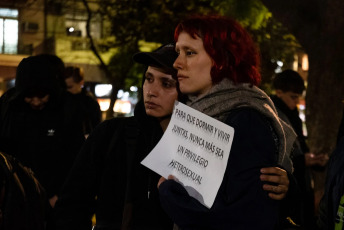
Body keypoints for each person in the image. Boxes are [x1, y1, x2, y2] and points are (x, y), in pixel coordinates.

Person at [53, 43, 289, 230]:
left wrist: (284, 186)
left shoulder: (209, 140)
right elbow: (72, 206)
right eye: (148, 79)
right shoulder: (111, 134)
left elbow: (238, 211)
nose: (151, 91)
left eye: (166, 83)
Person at [157, 15, 297, 229]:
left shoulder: (245, 119)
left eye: (190, 53)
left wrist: (169, 193)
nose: (177, 63)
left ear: (221, 59)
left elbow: (247, 218)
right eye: (178, 52)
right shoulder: (196, 112)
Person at [0, 55, 85, 226]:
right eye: (29, 96)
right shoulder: (9, 108)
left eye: (42, 95)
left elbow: (77, 158)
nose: (36, 101)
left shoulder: (68, 110)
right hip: (17, 200)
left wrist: (59, 196)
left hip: (56, 202)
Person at [271, 69, 328, 229]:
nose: (296, 102)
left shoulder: (291, 115)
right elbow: (279, 156)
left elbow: (299, 147)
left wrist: (313, 160)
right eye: (293, 97)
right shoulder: (276, 115)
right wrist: (304, 160)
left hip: (300, 185)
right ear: (279, 92)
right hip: (290, 189)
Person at [64, 66, 101, 137]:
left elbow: (96, 126)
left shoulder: (89, 103)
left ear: (81, 83)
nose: (67, 90)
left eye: (70, 87)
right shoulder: (61, 99)